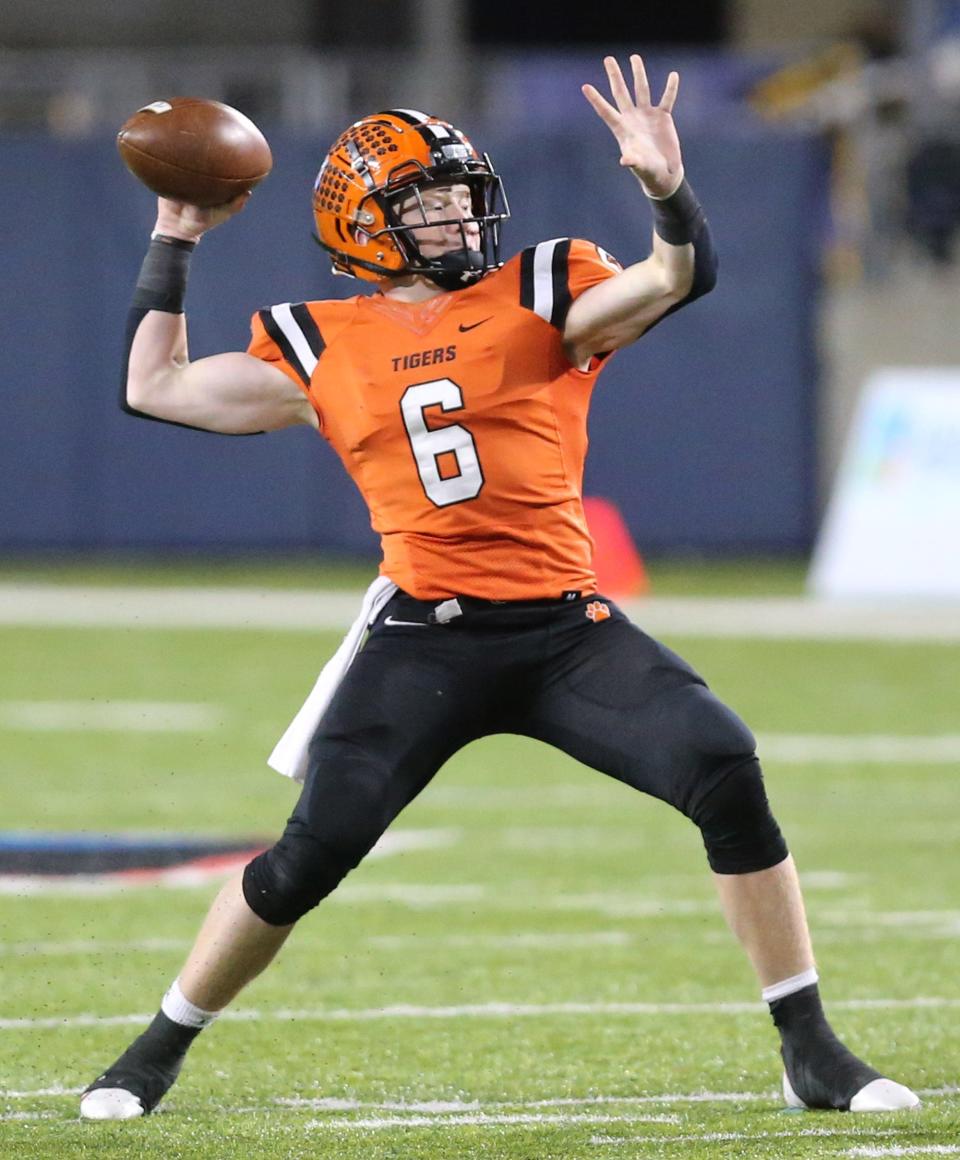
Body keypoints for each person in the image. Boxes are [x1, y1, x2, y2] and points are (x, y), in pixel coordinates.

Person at [80, 55, 918, 1120]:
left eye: (460, 200)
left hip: (566, 631)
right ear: (366, 224)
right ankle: (153, 1050)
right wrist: (177, 235)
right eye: (424, 205)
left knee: (722, 760)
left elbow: (676, 276)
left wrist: (664, 185)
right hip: (422, 638)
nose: (453, 221)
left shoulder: (546, 286)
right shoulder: (317, 339)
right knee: (308, 853)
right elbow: (152, 386)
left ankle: (811, 1049)